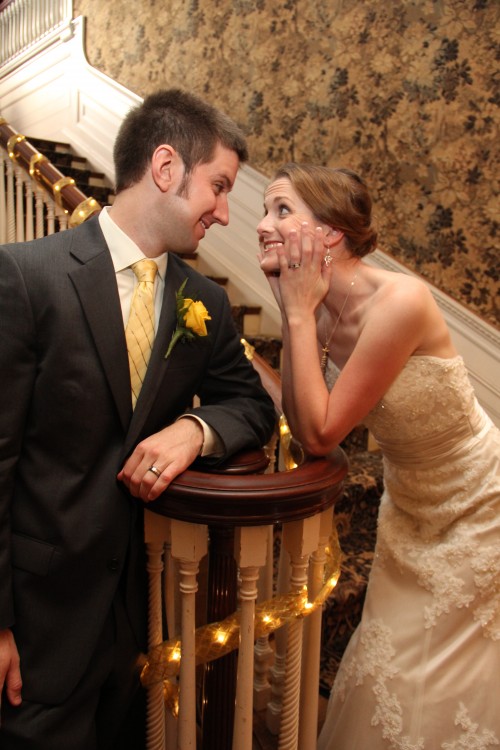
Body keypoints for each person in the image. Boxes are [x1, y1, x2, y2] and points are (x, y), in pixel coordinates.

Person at [0, 88, 275, 750]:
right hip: (36, 625)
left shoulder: (202, 301)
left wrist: (195, 429)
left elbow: (255, 405)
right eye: (218, 186)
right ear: (165, 167)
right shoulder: (26, 278)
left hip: (135, 622)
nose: (224, 212)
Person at [257, 163, 500, 748]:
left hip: (481, 507)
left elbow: (321, 435)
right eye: (264, 209)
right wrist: (294, 316)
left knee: (445, 680)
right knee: (381, 669)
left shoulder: (402, 301)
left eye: (282, 210)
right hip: (408, 507)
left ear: (331, 234)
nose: (263, 225)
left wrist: (294, 314)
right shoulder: (312, 303)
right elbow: (300, 413)